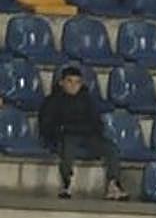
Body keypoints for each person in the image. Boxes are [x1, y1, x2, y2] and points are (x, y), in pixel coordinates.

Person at [37, 66, 128, 201]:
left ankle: (113, 184)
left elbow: (96, 122)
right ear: (61, 82)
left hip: (88, 136)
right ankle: (66, 184)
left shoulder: (87, 100)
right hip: (65, 136)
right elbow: (47, 124)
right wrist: (59, 132)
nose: (74, 85)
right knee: (68, 148)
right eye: (70, 81)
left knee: (111, 148)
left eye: (77, 82)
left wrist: (92, 131)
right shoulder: (52, 101)